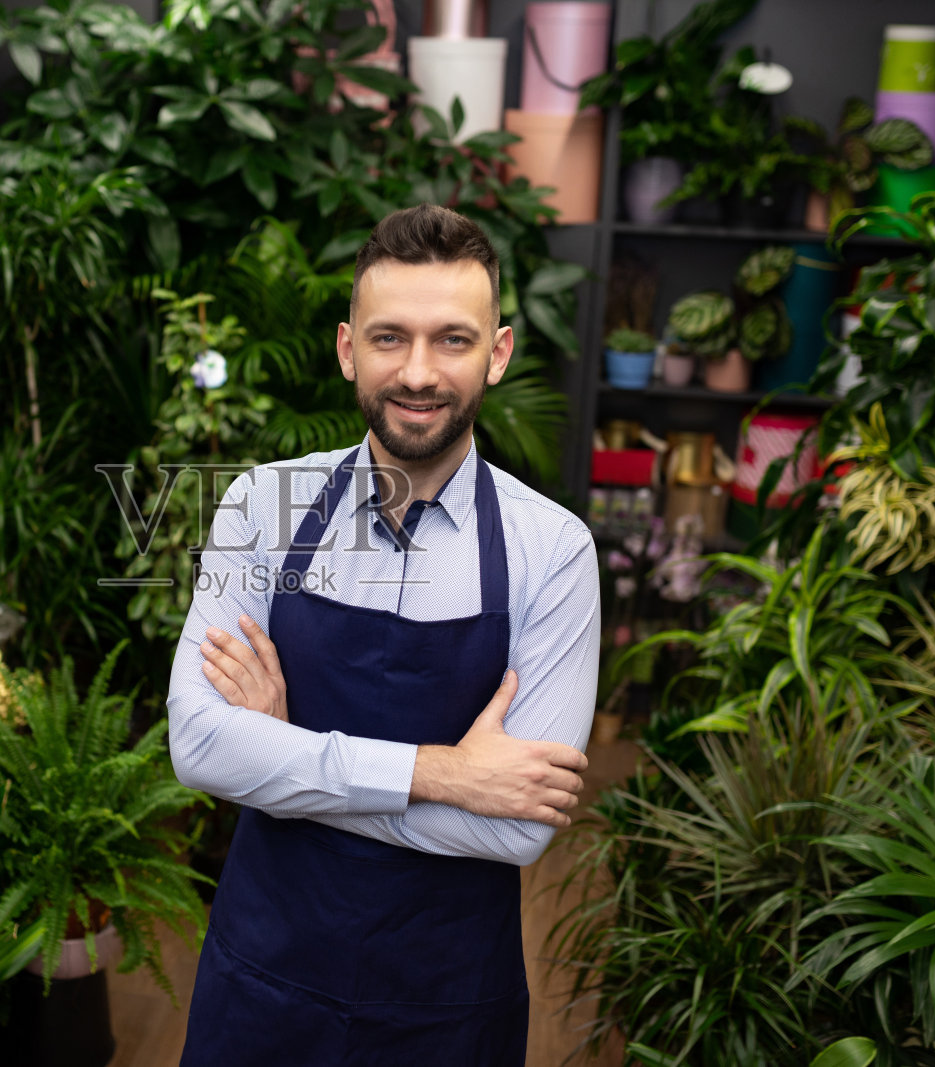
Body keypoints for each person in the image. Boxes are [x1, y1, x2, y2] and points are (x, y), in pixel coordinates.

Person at [167, 204, 600, 1066]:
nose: (418, 372)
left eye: (452, 340)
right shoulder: (260, 507)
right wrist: (447, 775)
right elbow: (201, 746)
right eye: (389, 337)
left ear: (498, 354)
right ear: (347, 349)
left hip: (446, 1006)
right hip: (263, 984)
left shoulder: (554, 551)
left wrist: (282, 765)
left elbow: (516, 830)